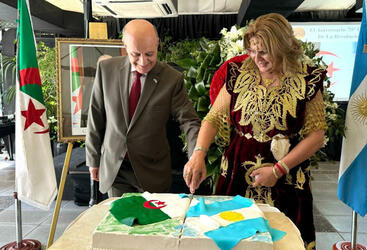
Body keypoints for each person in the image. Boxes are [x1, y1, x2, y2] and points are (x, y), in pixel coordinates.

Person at [184, 13, 327, 249]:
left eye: (264, 52)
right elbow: (214, 117)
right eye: (252, 51)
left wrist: (279, 170)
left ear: (283, 46)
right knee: (231, 235)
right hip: (237, 169)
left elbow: (316, 135)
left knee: (280, 238)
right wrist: (199, 153)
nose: (256, 58)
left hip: (287, 174)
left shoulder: (307, 78)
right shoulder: (239, 73)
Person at [86, 19, 201, 197]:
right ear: (124, 46)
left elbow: (189, 121)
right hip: (116, 169)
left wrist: (196, 156)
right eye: (135, 54)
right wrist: (93, 159)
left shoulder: (172, 79)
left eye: (149, 54)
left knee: (153, 223)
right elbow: (96, 115)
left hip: (152, 170)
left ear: (157, 45)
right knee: (120, 223)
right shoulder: (106, 69)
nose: (143, 61)